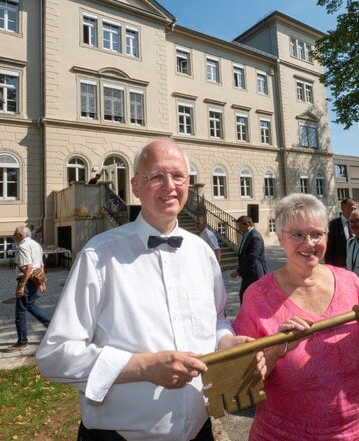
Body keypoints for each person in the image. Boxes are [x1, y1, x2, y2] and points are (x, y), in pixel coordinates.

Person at [36, 139, 263, 441]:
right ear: (135, 186)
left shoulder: (203, 252)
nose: (170, 186)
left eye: (178, 176)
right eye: (156, 176)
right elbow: (55, 354)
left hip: (199, 431)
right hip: (119, 436)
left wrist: (227, 342)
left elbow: (217, 319)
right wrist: (143, 367)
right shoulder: (99, 256)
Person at [233, 193, 359, 441]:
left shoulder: (350, 282)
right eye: (297, 234)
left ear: (326, 236)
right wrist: (275, 350)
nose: (309, 243)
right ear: (280, 238)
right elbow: (240, 386)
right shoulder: (259, 297)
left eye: (316, 234)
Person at [5, 225, 51, 352]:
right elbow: (41, 264)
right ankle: (52, 325)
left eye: (15, 233)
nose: (13, 235)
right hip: (34, 280)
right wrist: (41, 281)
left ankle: (22, 342)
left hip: (27, 280)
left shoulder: (23, 246)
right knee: (30, 306)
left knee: (20, 312)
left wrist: (21, 286)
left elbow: (29, 267)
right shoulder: (36, 244)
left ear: (21, 235)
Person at [230, 215, 267, 302]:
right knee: (245, 297)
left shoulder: (255, 237)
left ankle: (251, 315)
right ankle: (247, 314)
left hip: (254, 274)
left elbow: (253, 257)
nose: (238, 227)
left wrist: (238, 271)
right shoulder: (247, 235)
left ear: (247, 224)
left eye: (240, 225)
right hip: (248, 273)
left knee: (251, 298)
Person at [325, 198, 356, 267]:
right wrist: (330, 267)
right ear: (342, 208)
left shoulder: (357, 224)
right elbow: (329, 248)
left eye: (355, 209)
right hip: (339, 266)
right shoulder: (333, 225)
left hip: (356, 266)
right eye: (351, 208)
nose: (353, 211)